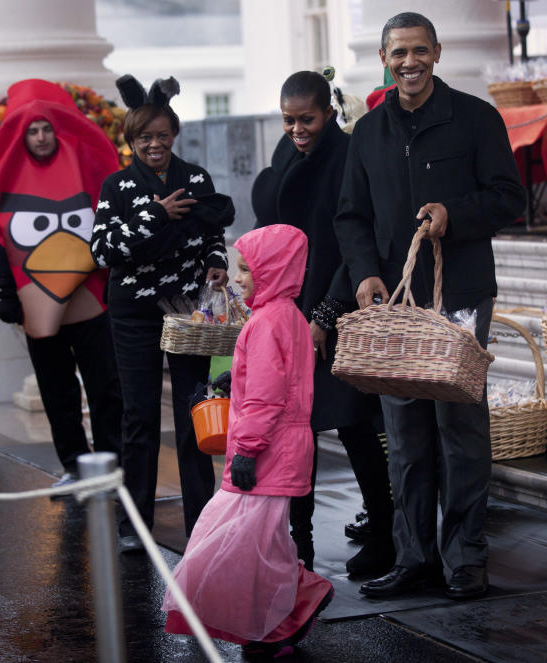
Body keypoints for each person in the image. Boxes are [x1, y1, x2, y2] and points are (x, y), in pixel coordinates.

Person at [333, 12, 525, 600]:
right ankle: (415, 557)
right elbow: (351, 216)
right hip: (394, 301)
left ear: (437, 53)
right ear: (386, 59)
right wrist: (364, 275)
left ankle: (464, 559)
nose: (409, 63)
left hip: (460, 295)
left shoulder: (475, 117)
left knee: (460, 429)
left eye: (420, 51)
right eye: (399, 53)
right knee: (407, 435)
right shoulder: (368, 132)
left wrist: (454, 214)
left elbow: (509, 197)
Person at [163, 224, 333, 657]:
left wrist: (247, 451)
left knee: (239, 541)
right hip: (283, 452)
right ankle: (287, 611)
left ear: (272, 270)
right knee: (264, 541)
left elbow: (265, 397)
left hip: (264, 455)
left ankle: (286, 614)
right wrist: (232, 381)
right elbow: (278, 385)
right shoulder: (289, 316)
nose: (238, 278)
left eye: (246, 269)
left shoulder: (265, 322)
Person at [251, 70, 394, 577]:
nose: (296, 129)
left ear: (328, 112)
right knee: (297, 431)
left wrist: (325, 316)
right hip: (291, 309)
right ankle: (300, 541)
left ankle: (385, 532)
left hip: (338, 303)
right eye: (288, 120)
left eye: (306, 119)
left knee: (355, 424)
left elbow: (352, 239)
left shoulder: (346, 154)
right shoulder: (288, 155)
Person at [91, 75, 233, 552]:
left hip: (189, 314)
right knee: (139, 419)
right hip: (133, 314)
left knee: (196, 414)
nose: (154, 144)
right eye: (144, 137)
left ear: (174, 134)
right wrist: (155, 215)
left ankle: (201, 521)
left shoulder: (195, 178)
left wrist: (216, 260)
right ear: (131, 141)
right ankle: (134, 523)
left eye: (161, 135)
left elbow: (213, 229)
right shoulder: (118, 185)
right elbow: (102, 250)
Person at [0, 79, 124, 489]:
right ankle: (75, 465)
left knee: (106, 386)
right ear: (19, 135)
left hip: (94, 298)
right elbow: (1, 238)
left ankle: (112, 462)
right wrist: (8, 293)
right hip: (36, 302)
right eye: (32, 130)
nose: (41, 137)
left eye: (46, 128)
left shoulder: (88, 168)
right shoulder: (8, 177)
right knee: (56, 390)